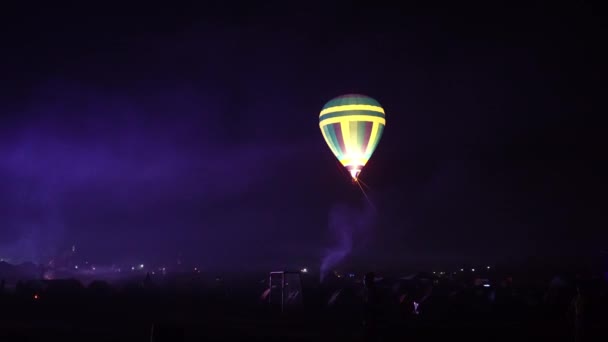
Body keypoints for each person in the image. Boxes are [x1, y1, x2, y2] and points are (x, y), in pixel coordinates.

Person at [362, 272, 379, 339]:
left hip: (372, 320)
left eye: (365, 279)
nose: (363, 281)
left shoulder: (373, 292)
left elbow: (371, 306)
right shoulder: (369, 291)